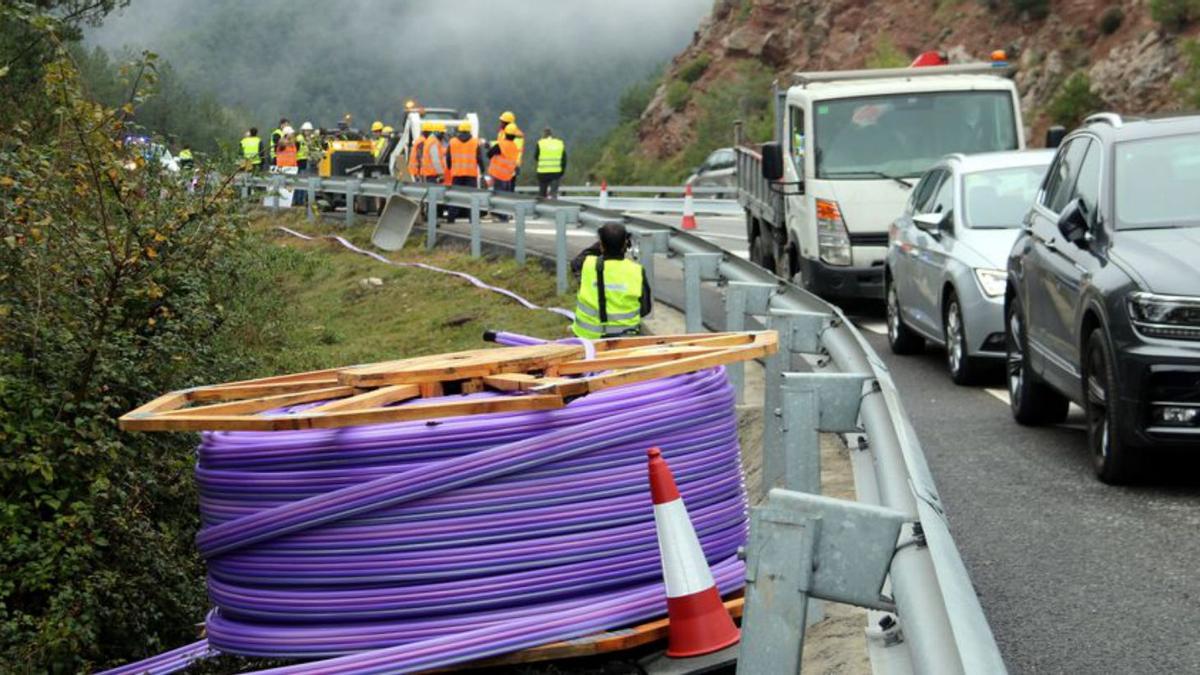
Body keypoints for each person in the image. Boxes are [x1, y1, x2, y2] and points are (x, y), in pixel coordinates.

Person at [570, 223, 652, 339]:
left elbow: (577, 261)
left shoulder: (586, 265)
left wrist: (605, 242)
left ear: (601, 245)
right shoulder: (636, 271)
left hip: (587, 340)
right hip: (625, 339)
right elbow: (645, 309)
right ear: (625, 244)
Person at [447, 122, 484, 223]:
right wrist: (482, 169)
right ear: (469, 131)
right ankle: (473, 218)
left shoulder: (452, 141)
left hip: (457, 174)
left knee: (455, 197)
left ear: (459, 131)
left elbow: (448, 157)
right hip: (471, 174)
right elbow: (479, 158)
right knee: (472, 197)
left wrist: (450, 167)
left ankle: (451, 218)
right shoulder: (475, 142)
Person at [487, 122, 521, 222]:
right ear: (514, 136)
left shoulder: (500, 145)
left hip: (498, 174)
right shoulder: (515, 147)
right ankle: (505, 216)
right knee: (505, 196)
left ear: (505, 133)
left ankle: (501, 217)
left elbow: (489, 154)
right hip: (508, 175)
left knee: (498, 195)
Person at [534, 127, 566, 199]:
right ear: (552, 134)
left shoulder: (540, 143)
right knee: (553, 194)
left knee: (542, 193)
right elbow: (564, 160)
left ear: (543, 135)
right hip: (555, 173)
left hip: (542, 173)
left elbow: (536, 157)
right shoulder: (559, 143)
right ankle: (553, 207)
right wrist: (561, 172)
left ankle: (541, 208)